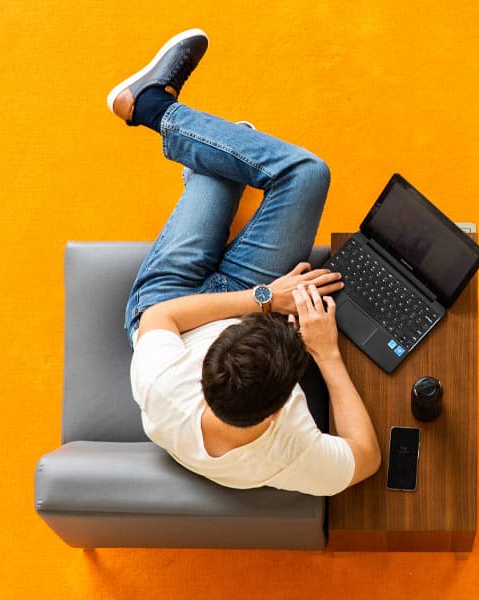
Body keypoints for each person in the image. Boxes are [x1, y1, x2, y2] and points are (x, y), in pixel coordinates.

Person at [110, 29, 379, 496]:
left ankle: (149, 106)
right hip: (243, 300)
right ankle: (219, 150)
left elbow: (162, 316)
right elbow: (367, 458)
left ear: (208, 368)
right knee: (289, 169)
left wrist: (267, 300)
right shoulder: (291, 453)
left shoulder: (164, 384)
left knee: (258, 166)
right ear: (277, 412)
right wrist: (327, 354)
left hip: (172, 303)